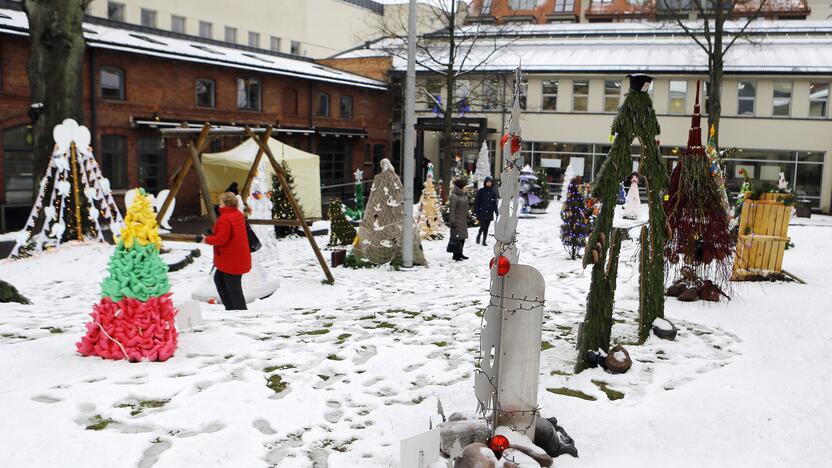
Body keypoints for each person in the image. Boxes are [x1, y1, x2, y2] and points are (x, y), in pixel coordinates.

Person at [200, 192, 251, 310]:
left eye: (220, 202)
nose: (218, 205)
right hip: (237, 256)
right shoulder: (237, 214)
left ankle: (240, 312)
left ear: (226, 204)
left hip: (231, 259)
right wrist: (213, 234)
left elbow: (221, 239)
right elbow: (229, 235)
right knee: (220, 280)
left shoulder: (225, 218)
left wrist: (206, 239)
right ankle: (231, 309)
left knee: (234, 289)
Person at [448, 178, 470, 261]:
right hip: (456, 221)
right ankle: (456, 255)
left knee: (462, 238)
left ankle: (460, 253)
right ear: (460, 187)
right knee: (457, 238)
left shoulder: (463, 195)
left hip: (463, 220)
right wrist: (452, 221)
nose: (466, 189)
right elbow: (452, 210)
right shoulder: (454, 196)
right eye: (465, 187)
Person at [474, 176, 498, 246]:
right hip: (482, 212)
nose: (489, 183)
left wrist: (496, 211)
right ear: (485, 183)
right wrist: (476, 210)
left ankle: (484, 240)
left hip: (489, 212)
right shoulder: (481, 191)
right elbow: (477, 202)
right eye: (487, 182)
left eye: (490, 182)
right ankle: (479, 235)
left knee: (487, 227)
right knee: (483, 226)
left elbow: (494, 203)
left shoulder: (493, 192)